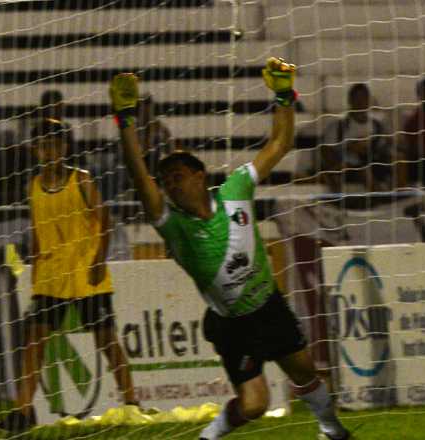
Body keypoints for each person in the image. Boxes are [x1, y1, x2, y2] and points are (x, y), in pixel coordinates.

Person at [109, 58, 350, 440]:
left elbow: (280, 144)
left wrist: (284, 95)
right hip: (231, 323)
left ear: (200, 176)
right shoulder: (172, 225)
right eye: (167, 182)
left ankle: (332, 429)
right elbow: (140, 178)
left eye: (178, 178)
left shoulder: (236, 189)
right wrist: (126, 120)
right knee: (255, 404)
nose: (172, 186)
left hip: (269, 305)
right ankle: (209, 436)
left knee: (306, 373)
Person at [1, 118, 138, 432]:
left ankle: (131, 402)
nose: (51, 150)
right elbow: (36, 229)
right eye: (44, 145)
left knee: (106, 340)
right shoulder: (33, 186)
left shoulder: (82, 180)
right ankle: (22, 412)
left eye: (56, 144)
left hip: (84, 273)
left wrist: (99, 262)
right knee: (34, 340)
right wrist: (35, 267)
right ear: (35, 150)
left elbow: (104, 220)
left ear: (65, 148)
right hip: (50, 275)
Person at [316, 83, 394, 192]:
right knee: (359, 168)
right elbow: (326, 150)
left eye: (364, 98)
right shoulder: (337, 126)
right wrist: (348, 148)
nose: (360, 102)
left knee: (399, 159)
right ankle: (379, 196)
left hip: (373, 163)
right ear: (350, 101)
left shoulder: (377, 126)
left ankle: (400, 195)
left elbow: (383, 148)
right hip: (348, 167)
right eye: (357, 98)